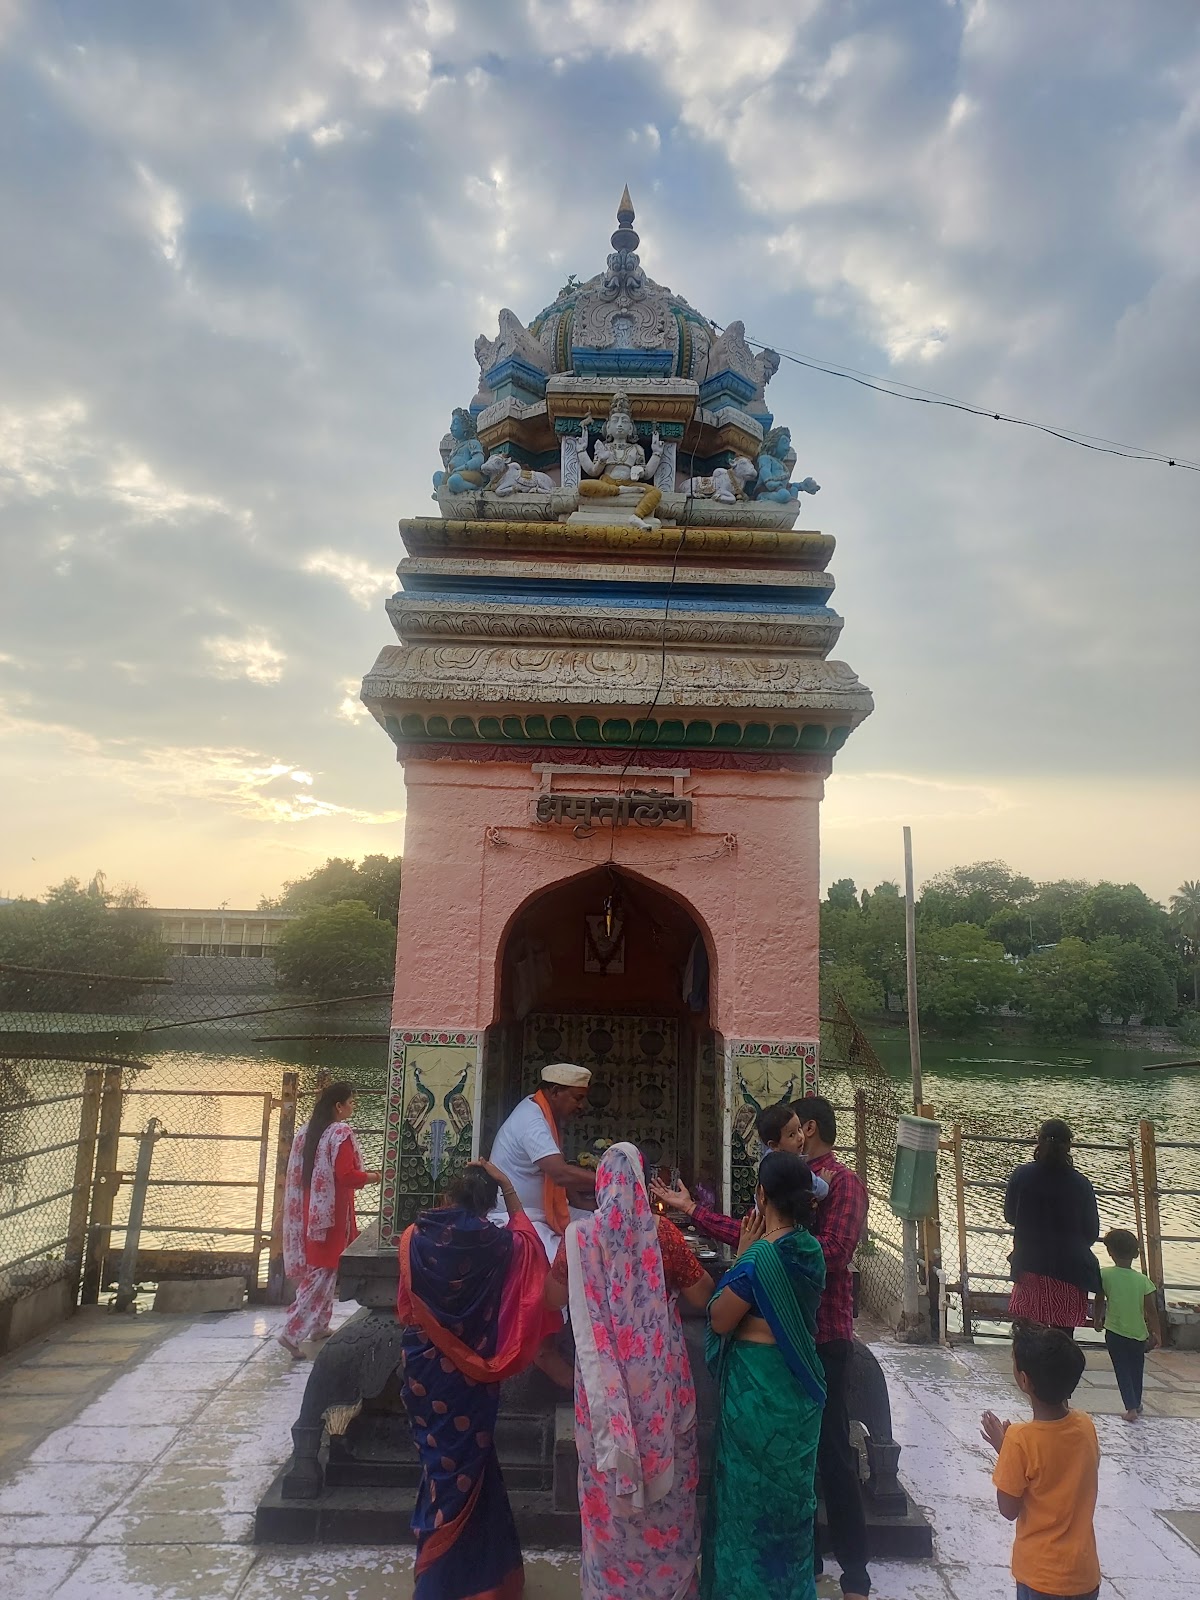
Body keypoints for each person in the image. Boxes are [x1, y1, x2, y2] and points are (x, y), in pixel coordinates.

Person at [653, 1096, 867, 1598]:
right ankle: (803, 1566)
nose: (786, 1138)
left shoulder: (840, 1187)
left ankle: (855, 1573)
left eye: (792, 1130)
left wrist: (759, 1251)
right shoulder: (796, 1217)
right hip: (789, 1361)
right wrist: (699, 1214)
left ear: (809, 1129)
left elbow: (832, 1253)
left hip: (819, 1342)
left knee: (830, 1461)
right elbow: (772, 1241)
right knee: (794, 1476)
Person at [545, 1141, 714, 1600]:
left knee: (604, 1481)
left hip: (602, 1385)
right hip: (662, 1382)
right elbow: (703, 1297)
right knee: (671, 1488)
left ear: (601, 1183)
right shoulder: (663, 1235)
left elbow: (553, 1300)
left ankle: (610, 1586)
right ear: (640, 1182)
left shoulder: (578, 1239)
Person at [397, 1158, 559, 1600]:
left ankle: (471, 1575)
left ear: (448, 1196)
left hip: (424, 1376)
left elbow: (405, 1311)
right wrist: (509, 1186)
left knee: (442, 1468)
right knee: (471, 1463)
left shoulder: (412, 1238)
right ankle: (451, 1582)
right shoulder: (498, 1243)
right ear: (490, 1205)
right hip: (471, 1383)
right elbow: (531, 1247)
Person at [702, 1150, 827, 1600]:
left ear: (760, 1196)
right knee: (791, 1504)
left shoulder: (758, 1261)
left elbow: (719, 1319)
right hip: (796, 1392)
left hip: (755, 1394)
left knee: (747, 1504)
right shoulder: (812, 1251)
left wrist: (740, 1254)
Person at [980, 1324, 1101, 1600]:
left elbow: (1008, 1508)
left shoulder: (1020, 1439)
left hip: (1041, 1577)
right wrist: (1009, 1451)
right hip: (1084, 1575)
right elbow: (1063, 1470)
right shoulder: (1085, 1425)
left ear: (1024, 1380)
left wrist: (1006, 1450)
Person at [279, 1080, 380, 1358]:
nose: (353, 1106)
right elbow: (346, 1176)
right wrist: (376, 1176)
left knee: (320, 1268)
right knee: (324, 1271)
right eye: (351, 1102)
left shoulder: (307, 1131)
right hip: (332, 1213)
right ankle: (292, 1332)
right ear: (339, 1106)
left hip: (310, 1209)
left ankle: (319, 1326)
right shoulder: (340, 1133)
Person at [648, 1100, 830, 1230]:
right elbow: (821, 1190)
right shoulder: (789, 1167)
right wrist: (825, 1182)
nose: (800, 1137)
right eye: (792, 1134)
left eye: (799, 1130)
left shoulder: (772, 1159)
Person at [486, 1063, 597, 1259]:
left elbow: (556, 1173)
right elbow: (560, 1173)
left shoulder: (539, 1111)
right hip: (519, 1218)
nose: (581, 1106)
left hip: (542, 1214)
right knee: (569, 1261)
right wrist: (613, 1179)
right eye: (577, 1098)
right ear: (555, 1092)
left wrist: (583, 1202)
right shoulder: (532, 1120)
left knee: (603, 1226)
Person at [1004, 1119, 1101, 1335]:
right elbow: (1091, 1231)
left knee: (1028, 1334)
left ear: (1039, 1142)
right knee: (1063, 1338)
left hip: (1030, 1264)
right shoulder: (1081, 1183)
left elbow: (1010, 1216)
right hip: (1070, 1270)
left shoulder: (1022, 1175)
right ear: (1069, 1145)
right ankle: (1061, 1368)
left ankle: (1029, 1368)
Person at [1092, 1227, 1161, 1421]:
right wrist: (1157, 1334)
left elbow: (1099, 1300)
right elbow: (1152, 1312)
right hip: (1138, 1334)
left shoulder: (1104, 1275)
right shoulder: (1143, 1281)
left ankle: (1130, 1408)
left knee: (1121, 1369)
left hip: (1114, 1332)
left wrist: (1097, 1319)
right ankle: (1136, 1403)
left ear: (1110, 1252)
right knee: (1136, 1368)